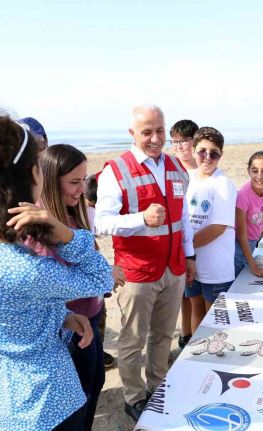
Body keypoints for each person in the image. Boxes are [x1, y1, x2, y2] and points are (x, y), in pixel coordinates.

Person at [0, 102, 113, 431]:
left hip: (2, 393)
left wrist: (62, 315)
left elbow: (13, 312)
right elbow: (100, 276)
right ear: (30, 176)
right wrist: (63, 230)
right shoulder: (21, 268)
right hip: (46, 400)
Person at [95, 105, 195, 420]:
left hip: (174, 267)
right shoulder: (116, 170)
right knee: (132, 339)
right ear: (132, 133)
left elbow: (184, 219)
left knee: (163, 335)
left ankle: (156, 386)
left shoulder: (177, 168)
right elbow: (102, 223)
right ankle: (133, 396)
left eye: (160, 131)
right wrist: (142, 219)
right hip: (137, 273)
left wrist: (189, 255)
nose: (155, 138)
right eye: (146, 132)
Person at [34, 144, 125, 430]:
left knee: (95, 380)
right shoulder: (43, 226)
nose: (81, 190)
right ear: (50, 181)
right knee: (79, 397)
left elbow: (89, 256)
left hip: (91, 314)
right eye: (74, 182)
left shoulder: (74, 215)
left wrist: (101, 281)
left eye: (84, 181)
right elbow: (52, 285)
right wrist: (104, 274)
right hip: (69, 325)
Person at [185, 126, 237, 326]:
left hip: (215, 266)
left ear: (220, 155)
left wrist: (185, 249)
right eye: (202, 151)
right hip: (192, 263)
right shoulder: (188, 178)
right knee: (195, 308)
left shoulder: (223, 184)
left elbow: (218, 227)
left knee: (215, 319)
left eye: (214, 153)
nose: (207, 157)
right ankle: (194, 352)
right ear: (193, 150)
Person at [83, 173, 118, 369]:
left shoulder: (94, 207)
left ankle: (98, 350)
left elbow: (92, 241)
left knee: (100, 314)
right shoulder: (78, 206)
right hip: (82, 276)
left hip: (94, 269)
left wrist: (103, 269)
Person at [169, 119, 199, 349]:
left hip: (201, 239)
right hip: (178, 239)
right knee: (182, 293)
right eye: (175, 141)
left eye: (183, 141)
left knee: (195, 292)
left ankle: (193, 333)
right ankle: (184, 331)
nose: (178, 146)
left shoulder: (202, 168)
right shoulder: (170, 167)